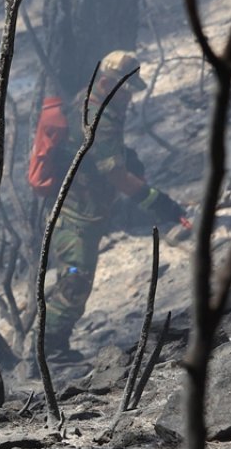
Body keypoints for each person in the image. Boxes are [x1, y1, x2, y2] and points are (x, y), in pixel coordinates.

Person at [47, 50, 189, 356]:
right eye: (126, 89)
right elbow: (116, 176)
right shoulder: (101, 116)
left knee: (74, 275)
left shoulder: (91, 102)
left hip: (83, 210)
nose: (129, 97)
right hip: (77, 215)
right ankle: (51, 351)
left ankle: (53, 345)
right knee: (76, 278)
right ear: (110, 82)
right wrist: (161, 203)